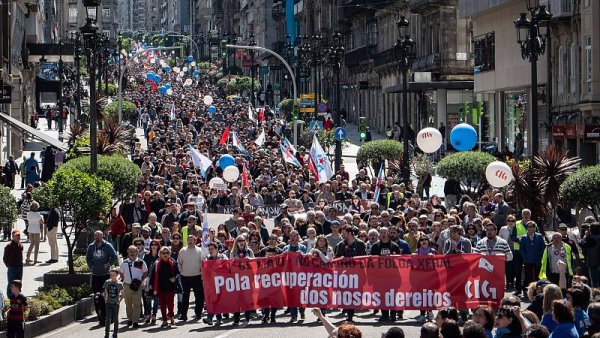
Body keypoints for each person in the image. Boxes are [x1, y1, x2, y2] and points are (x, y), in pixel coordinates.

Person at [334, 225, 367, 322]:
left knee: (356, 293)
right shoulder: (341, 245)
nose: (342, 235)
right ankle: (349, 313)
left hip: (357, 273)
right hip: (345, 274)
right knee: (347, 293)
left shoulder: (360, 244)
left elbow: (364, 258)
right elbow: (337, 258)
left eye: (344, 233)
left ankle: (352, 311)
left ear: (350, 233)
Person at [86, 230, 118, 325]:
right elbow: (88, 258)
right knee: (97, 296)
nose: (97, 237)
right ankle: (100, 317)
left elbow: (114, 256)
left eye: (99, 236)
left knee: (107, 297)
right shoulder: (91, 246)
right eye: (95, 236)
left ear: (102, 236)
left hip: (105, 275)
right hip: (96, 275)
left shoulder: (107, 245)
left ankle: (110, 316)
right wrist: (91, 266)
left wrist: (108, 264)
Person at [149, 246, 179, 328]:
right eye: (163, 253)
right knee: (162, 305)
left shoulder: (173, 262)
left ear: (169, 254)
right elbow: (153, 275)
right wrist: (152, 286)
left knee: (170, 304)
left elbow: (178, 273)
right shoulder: (157, 263)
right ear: (160, 254)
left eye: (167, 253)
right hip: (160, 287)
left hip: (170, 287)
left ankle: (172, 318)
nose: (165, 254)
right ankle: (164, 320)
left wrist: (174, 278)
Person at [119, 245, 148, 328]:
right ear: (128, 252)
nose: (132, 253)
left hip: (137, 286)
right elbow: (121, 274)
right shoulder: (124, 263)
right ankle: (130, 319)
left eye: (134, 251)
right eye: (130, 251)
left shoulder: (141, 262)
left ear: (137, 252)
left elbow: (145, 273)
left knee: (137, 304)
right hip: (127, 285)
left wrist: (142, 282)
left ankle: (135, 321)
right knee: (128, 303)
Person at [177, 235, 205, 322]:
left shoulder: (200, 251)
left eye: (191, 240)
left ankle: (198, 313)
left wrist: (202, 274)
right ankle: (183, 314)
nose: (190, 242)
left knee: (199, 296)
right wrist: (181, 272)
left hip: (197, 276)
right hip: (185, 277)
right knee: (185, 297)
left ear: (195, 241)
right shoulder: (182, 251)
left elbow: (203, 263)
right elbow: (179, 263)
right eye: (188, 240)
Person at [103, 268, 124, 338]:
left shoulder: (119, 284)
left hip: (115, 304)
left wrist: (119, 301)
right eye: (111, 275)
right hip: (108, 303)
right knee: (108, 319)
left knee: (115, 319)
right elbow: (105, 291)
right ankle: (106, 334)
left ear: (116, 275)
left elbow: (123, 293)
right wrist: (105, 299)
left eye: (113, 275)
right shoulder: (107, 282)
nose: (112, 276)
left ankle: (115, 333)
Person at [3, 229, 23, 297]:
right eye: (16, 235)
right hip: (12, 267)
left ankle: (18, 296)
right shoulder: (9, 246)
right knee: (11, 283)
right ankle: (9, 297)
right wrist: (9, 265)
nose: (18, 237)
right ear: (13, 236)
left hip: (20, 266)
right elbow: (5, 258)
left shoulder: (20, 245)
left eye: (19, 235)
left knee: (19, 282)